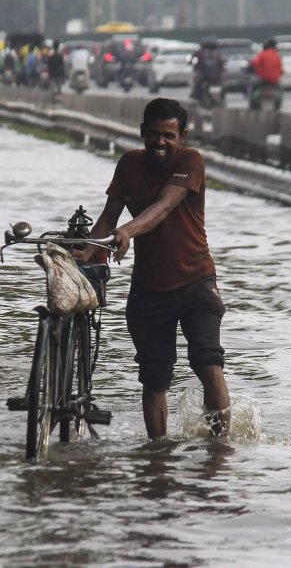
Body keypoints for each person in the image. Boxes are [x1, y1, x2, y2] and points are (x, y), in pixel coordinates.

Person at [76, 98, 231, 439]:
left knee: (209, 364)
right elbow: (107, 217)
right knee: (154, 377)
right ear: (143, 132)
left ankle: (221, 451)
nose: (160, 143)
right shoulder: (130, 163)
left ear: (182, 137)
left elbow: (163, 206)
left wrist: (127, 232)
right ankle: (157, 457)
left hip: (196, 282)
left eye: (169, 136)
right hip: (148, 288)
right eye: (154, 134)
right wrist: (85, 255)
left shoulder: (192, 161)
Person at [249, 37, 284, 108]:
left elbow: (256, 64)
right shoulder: (277, 56)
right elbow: (281, 70)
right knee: (281, 90)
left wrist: (260, 74)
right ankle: (278, 106)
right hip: (274, 82)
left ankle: (252, 106)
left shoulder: (262, 54)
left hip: (263, 81)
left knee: (253, 87)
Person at [191, 36, 224, 102]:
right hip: (216, 75)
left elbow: (196, 63)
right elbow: (221, 64)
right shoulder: (218, 53)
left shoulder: (200, 53)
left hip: (205, 75)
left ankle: (196, 96)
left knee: (197, 83)